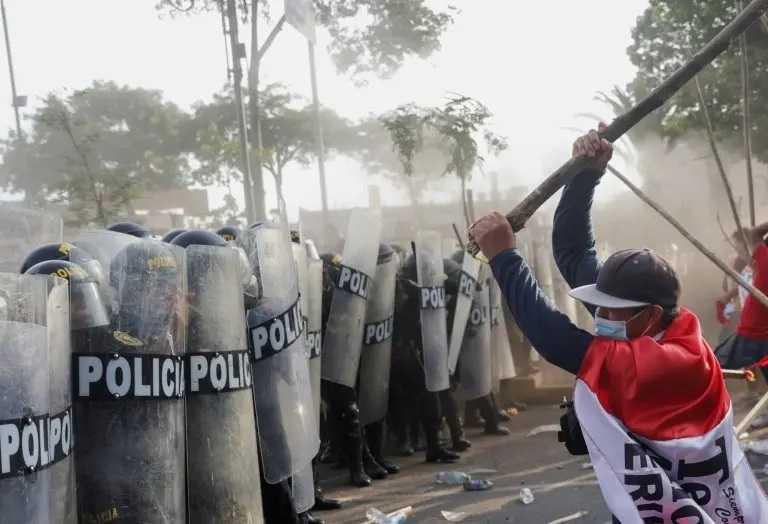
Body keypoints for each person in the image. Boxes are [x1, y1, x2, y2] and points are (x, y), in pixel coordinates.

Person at [469, 126, 768, 521]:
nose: (602, 319)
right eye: (601, 308)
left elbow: (552, 337)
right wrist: (585, 177)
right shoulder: (659, 326)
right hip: (655, 498)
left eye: (612, 311)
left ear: (651, 315)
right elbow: (574, 253)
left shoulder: (665, 363)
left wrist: (505, 258)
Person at [716, 226, 768, 380]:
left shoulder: (764, 262)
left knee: (711, 365)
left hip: (752, 334)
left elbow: (754, 233)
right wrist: (728, 297)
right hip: (756, 332)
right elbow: (749, 285)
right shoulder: (756, 266)